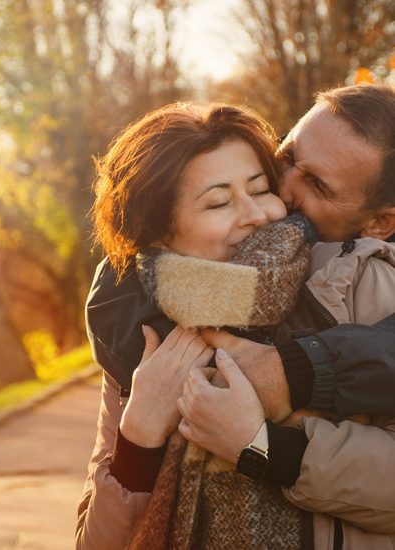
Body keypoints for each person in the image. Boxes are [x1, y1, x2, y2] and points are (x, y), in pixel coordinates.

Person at [77, 102, 318, 549]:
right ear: (162, 235)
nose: (257, 214)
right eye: (219, 202)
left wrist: (260, 442)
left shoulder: (335, 293)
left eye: (261, 189)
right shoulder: (143, 342)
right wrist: (140, 433)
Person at [175, 85, 395, 548]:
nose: (283, 188)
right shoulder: (207, 258)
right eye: (287, 155)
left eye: (317, 186)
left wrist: (263, 446)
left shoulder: (379, 292)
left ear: (379, 223)